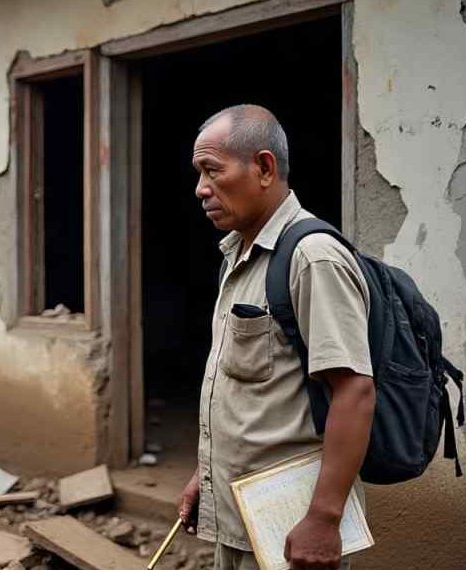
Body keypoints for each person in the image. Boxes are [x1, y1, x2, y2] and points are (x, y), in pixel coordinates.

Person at [179, 104, 376, 570]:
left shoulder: (313, 258)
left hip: (289, 526)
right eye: (198, 173)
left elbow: (355, 391)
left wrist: (323, 518)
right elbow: (245, 393)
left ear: (264, 168)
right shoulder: (237, 256)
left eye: (212, 170)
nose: (201, 188)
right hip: (239, 513)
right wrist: (205, 474)